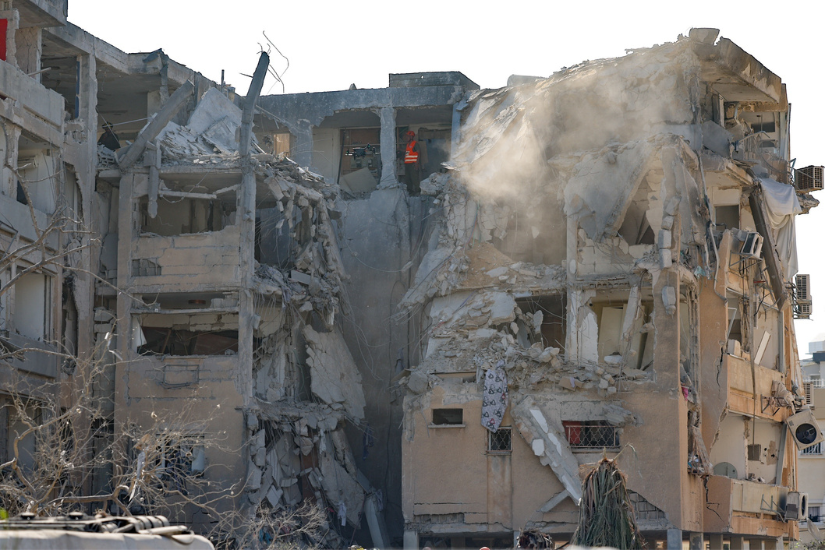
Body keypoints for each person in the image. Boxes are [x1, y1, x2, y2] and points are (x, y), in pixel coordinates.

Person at [402, 130, 421, 195]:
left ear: (411, 137)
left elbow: (418, 153)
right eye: (406, 136)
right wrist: (400, 150)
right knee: (408, 178)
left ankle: (417, 191)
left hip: (413, 164)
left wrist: (417, 163)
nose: (406, 137)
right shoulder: (408, 145)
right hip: (407, 164)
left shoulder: (415, 144)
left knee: (414, 178)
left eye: (408, 136)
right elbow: (408, 152)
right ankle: (410, 191)